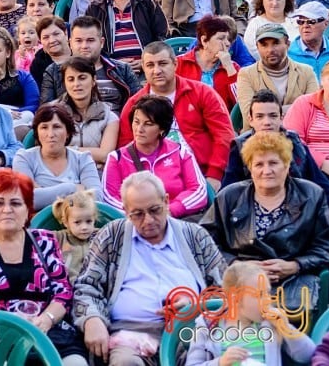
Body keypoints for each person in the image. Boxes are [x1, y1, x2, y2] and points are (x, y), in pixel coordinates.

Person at [73, 171, 227, 364]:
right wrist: (91, 318)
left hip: (190, 331)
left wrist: (195, 305)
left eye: (155, 210)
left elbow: (227, 289)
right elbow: (86, 285)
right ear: (125, 210)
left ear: (166, 201)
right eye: (137, 214)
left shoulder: (195, 236)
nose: (148, 220)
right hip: (129, 335)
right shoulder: (112, 236)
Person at [0, 169, 89, 366]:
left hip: (46, 332)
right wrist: (3, 327)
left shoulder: (45, 241)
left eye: (15, 203)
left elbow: (63, 292)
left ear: (28, 209)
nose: (7, 210)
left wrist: (47, 319)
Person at [202, 131, 329, 310]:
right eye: (259, 164)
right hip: (239, 282)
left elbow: (326, 246)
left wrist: (295, 265)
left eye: (273, 163)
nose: (266, 171)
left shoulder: (312, 195)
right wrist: (237, 265)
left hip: (293, 283)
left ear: (286, 165)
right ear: (250, 167)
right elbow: (204, 243)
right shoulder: (229, 196)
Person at [120, 41, 234, 190]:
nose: (157, 71)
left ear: (175, 64)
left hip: (202, 175)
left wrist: (214, 175)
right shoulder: (134, 104)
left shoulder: (202, 93)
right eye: (150, 65)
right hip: (151, 183)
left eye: (162, 63)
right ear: (143, 68)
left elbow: (224, 135)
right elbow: (125, 147)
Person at [185, 261, 317, 365]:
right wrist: (220, 362)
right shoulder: (208, 325)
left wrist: (286, 328)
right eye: (259, 295)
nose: (267, 300)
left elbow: (308, 355)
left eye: (268, 292)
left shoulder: (271, 323)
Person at [102, 95, 208, 220]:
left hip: (177, 221)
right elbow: (109, 198)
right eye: (136, 122)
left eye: (148, 124)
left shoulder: (180, 153)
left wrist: (169, 211)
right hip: (134, 225)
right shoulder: (117, 158)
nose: (139, 129)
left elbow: (198, 191)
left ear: (162, 129)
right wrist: (140, 214)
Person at [223, 88, 329, 203]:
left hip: (299, 211)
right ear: (251, 120)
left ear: (281, 118)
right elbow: (227, 193)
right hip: (253, 212)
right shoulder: (240, 147)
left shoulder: (295, 143)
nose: (267, 122)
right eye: (260, 116)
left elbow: (321, 185)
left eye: (273, 116)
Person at [88, 0, 169, 70]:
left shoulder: (147, 3)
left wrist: (147, 61)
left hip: (147, 69)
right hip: (110, 70)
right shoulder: (95, 8)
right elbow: (89, 44)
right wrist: (112, 63)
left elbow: (162, 37)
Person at [236, 23, 317, 121]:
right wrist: (295, 109)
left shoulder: (307, 72)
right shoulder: (246, 74)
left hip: (300, 133)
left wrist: (269, 113)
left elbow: (314, 110)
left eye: (276, 43)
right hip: (260, 135)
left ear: (287, 44)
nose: (270, 50)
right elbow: (250, 116)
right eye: (264, 45)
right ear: (257, 47)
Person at [175, 15, 240, 110]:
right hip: (185, 121)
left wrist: (229, 68)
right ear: (204, 40)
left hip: (220, 121)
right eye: (221, 38)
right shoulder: (180, 63)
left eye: (227, 39)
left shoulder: (233, 67)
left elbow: (241, 105)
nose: (227, 43)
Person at [51, 190, 98, 283]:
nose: (84, 227)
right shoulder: (59, 237)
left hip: (94, 287)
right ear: (66, 222)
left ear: (94, 219)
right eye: (77, 222)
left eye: (89, 221)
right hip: (67, 287)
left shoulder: (101, 236)